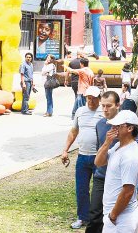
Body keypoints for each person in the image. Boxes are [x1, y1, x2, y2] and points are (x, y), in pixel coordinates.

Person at [61, 86, 104, 229]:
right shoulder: (80, 112)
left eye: (93, 98)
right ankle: (83, 217)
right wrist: (65, 150)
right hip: (82, 156)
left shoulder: (104, 112)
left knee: (100, 189)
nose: (90, 101)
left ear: (99, 98)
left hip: (99, 157)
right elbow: (73, 132)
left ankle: (98, 218)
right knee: (81, 189)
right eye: (88, 98)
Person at [95, 110, 138, 233]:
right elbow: (99, 162)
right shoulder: (118, 146)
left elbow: (128, 191)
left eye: (118, 126)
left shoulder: (130, 156)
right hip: (115, 216)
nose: (113, 128)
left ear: (130, 128)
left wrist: (113, 216)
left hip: (121, 218)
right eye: (113, 125)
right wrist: (107, 142)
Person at [85, 91, 120, 233]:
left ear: (118, 105)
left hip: (119, 178)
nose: (105, 109)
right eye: (103, 106)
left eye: (109, 106)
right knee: (95, 215)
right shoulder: (99, 124)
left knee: (114, 217)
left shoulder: (126, 125)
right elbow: (99, 149)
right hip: (101, 176)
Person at [67, 51, 84, 119]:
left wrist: (66, 80)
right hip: (80, 82)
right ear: (80, 54)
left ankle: (76, 113)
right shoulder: (83, 63)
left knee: (77, 97)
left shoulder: (72, 62)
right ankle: (76, 114)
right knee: (79, 98)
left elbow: (67, 72)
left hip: (73, 82)